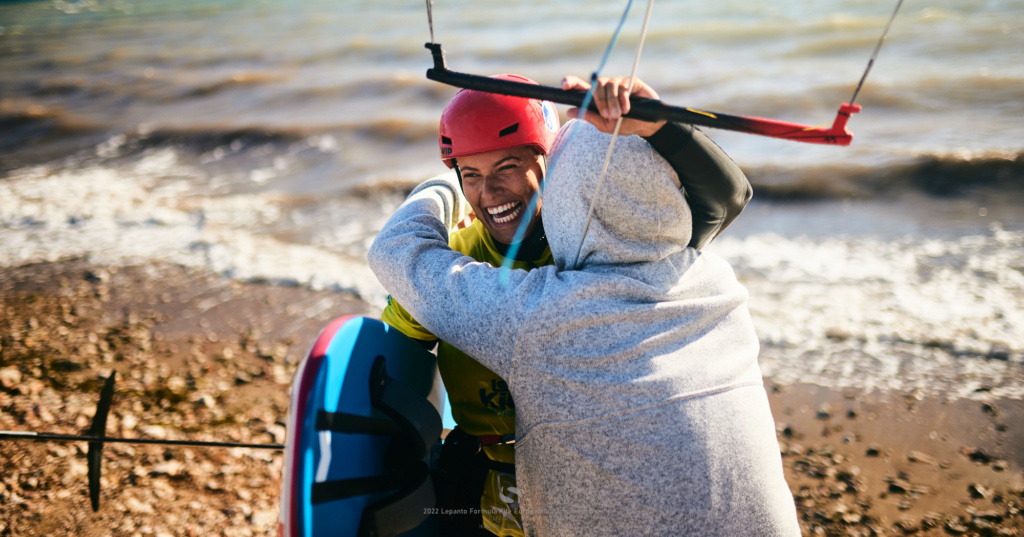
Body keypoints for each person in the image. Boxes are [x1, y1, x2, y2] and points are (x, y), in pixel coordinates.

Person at [380, 75, 755, 536]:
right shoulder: (456, 259)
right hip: (486, 482)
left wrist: (660, 127)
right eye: (471, 176)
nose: (490, 194)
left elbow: (727, 200)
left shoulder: (607, 244)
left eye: (507, 167)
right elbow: (399, 376)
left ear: (550, 158)